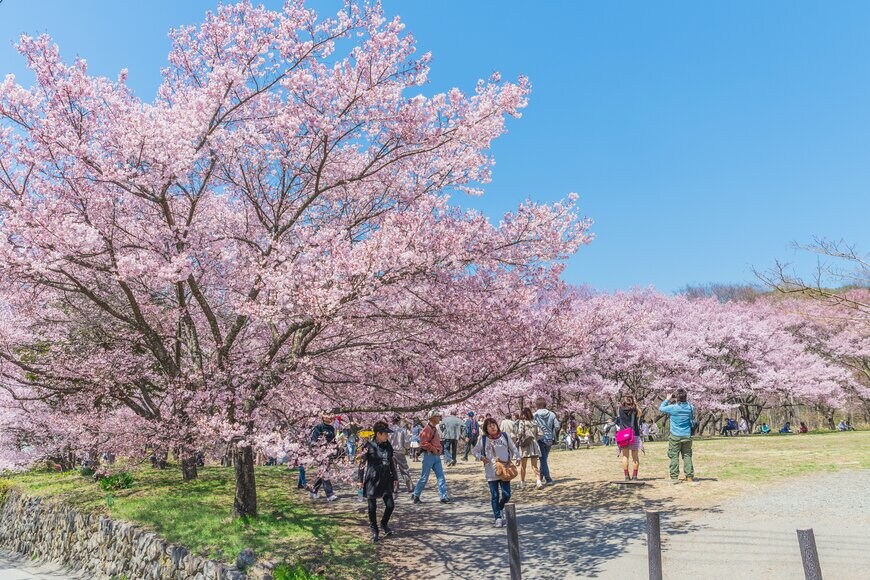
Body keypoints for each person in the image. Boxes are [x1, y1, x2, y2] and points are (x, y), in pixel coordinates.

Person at [472, 417, 521, 527]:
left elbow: (513, 448)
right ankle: (498, 517)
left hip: (505, 470)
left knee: (507, 494)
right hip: (491, 471)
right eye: (489, 426)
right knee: (494, 495)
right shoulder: (483, 439)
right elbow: (474, 451)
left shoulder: (504, 436)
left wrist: (518, 457)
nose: (492, 427)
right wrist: (481, 457)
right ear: (486, 428)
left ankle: (499, 508)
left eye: (494, 424)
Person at [360, 421, 399, 543]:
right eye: (385, 434)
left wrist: (396, 477)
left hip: (386, 478)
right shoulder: (368, 446)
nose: (387, 436)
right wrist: (359, 480)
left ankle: (384, 523)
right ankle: (374, 530)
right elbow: (362, 464)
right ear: (378, 434)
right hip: (372, 479)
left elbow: (391, 462)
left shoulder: (388, 445)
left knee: (390, 505)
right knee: (372, 508)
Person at [411, 410, 450, 504]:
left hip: (436, 456)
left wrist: (439, 449)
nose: (439, 417)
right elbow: (423, 443)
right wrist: (433, 448)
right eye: (437, 416)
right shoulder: (427, 429)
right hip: (429, 455)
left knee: (441, 477)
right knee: (424, 477)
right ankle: (416, 495)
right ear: (432, 418)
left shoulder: (434, 428)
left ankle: (443, 496)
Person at [658, 388, 695, 484]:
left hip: (675, 435)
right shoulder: (691, 407)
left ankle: (674, 476)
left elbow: (661, 408)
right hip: (687, 434)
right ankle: (689, 476)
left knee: (674, 456)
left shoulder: (673, 408)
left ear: (677, 398)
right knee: (687, 456)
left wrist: (667, 399)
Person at [308, 413, 339, 501]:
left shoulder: (332, 428)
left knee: (323, 472)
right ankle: (330, 494)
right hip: (321, 453)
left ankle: (313, 491)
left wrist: (336, 450)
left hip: (329, 452)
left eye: (330, 416)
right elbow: (314, 440)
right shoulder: (319, 427)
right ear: (323, 417)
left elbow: (333, 440)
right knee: (325, 472)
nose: (329, 417)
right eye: (327, 416)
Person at [514, 407, 544, 489]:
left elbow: (520, 433)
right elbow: (541, 434)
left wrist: (518, 439)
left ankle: (522, 483)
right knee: (535, 466)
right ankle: (538, 482)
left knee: (523, 466)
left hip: (525, 446)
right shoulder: (535, 422)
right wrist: (534, 438)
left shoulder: (522, 422)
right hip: (534, 445)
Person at [616, 394, 643, 481]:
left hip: (623, 435)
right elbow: (640, 414)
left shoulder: (620, 409)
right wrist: (636, 404)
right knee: (635, 457)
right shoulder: (634, 410)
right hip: (634, 434)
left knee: (625, 456)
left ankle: (626, 476)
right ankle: (635, 476)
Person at [533, 398, 559, 485]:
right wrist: (552, 431)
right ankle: (540, 476)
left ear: (537, 405)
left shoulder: (535, 415)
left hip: (540, 439)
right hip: (549, 439)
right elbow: (557, 426)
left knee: (543, 460)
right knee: (544, 459)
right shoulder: (552, 414)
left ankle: (548, 479)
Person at [388, 415, 413, 493]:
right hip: (400, 452)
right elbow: (406, 443)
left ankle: (395, 487)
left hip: (391, 452)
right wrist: (407, 447)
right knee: (404, 470)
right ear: (399, 421)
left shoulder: (389, 430)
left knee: (392, 470)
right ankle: (409, 486)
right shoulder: (402, 430)